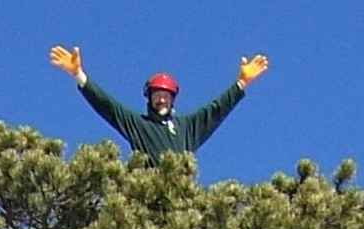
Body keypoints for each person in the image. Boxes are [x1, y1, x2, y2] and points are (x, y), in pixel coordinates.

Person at [49, 46, 268, 164]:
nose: (162, 99)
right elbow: (107, 106)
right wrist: (79, 74)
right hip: (148, 203)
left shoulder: (187, 127)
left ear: (173, 99)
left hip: (182, 206)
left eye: (166, 95)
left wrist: (241, 83)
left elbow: (217, 109)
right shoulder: (139, 124)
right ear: (149, 98)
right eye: (157, 95)